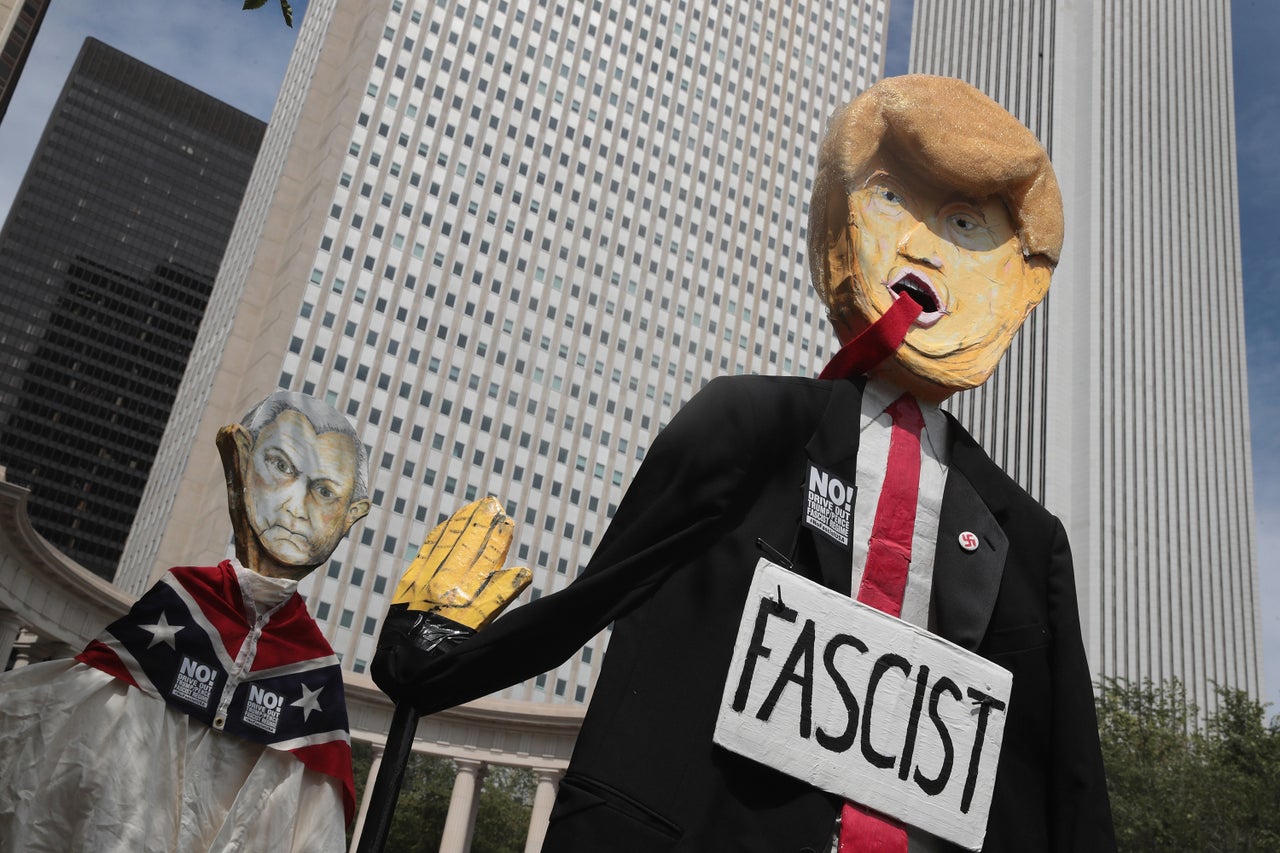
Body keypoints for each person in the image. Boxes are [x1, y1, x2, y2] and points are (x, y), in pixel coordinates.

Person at [374, 76, 1114, 851]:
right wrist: (429, 657)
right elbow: (597, 595)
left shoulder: (1029, 539)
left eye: (965, 224)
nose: (924, 246)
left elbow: (1071, 784)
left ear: (1018, 282)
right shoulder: (748, 426)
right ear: (843, 214)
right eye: (895, 200)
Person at [0, 392, 370, 852]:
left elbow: (307, 834)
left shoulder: (312, 673)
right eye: (280, 466)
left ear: (351, 517)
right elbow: (64, 769)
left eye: (325, 492)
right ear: (240, 463)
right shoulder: (180, 606)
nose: (296, 507)